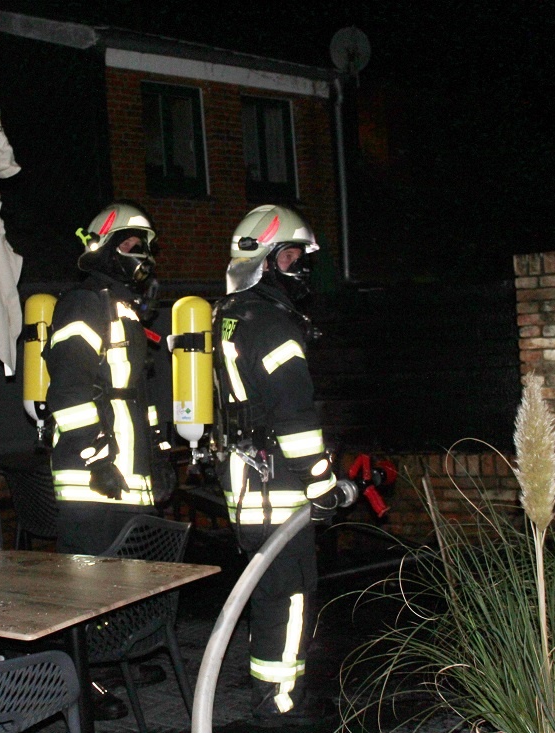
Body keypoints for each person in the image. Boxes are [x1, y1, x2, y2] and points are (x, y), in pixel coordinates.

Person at [211, 204, 342, 727]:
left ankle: (271, 694)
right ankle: (281, 705)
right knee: (288, 598)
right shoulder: (271, 323)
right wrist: (322, 483)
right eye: (289, 256)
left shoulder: (231, 313)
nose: (298, 267)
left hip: (248, 481)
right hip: (278, 486)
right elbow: (294, 414)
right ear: (263, 261)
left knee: (268, 596)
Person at [43, 201, 173, 718]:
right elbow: (68, 388)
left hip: (128, 472)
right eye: (131, 244)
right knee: (87, 586)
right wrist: (96, 457)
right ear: (103, 247)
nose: (141, 255)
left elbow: (136, 397)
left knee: (123, 581)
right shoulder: (83, 303)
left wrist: (159, 456)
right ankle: (82, 681)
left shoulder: (124, 308)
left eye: (145, 247)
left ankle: (114, 659)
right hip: (92, 477)